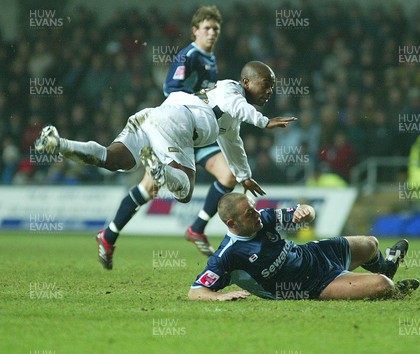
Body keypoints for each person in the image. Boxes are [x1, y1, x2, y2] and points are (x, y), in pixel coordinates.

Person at [35, 61, 296, 270]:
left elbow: (233, 142)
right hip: (180, 123)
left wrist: (244, 175)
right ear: (247, 82)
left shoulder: (229, 111)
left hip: (152, 116)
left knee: (113, 159)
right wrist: (264, 122)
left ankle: (59, 144)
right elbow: (237, 106)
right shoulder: (231, 90)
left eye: (272, 87)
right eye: (266, 85)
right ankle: (162, 172)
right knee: (184, 191)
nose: (269, 91)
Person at [116, 6, 233, 258]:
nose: (211, 33)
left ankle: (197, 228)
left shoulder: (210, 59)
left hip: (197, 133)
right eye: (206, 28)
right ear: (195, 31)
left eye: (215, 29)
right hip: (179, 128)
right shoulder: (188, 55)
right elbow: (170, 87)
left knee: (228, 175)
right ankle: (110, 233)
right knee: (148, 188)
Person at [187, 193, 420, 301]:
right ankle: (392, 286)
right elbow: (195, 291)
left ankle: (386, 266)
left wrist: (306, 211)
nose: (257, 214)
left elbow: (307, 212)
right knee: (382, 285)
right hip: (313, 285)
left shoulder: (264, 218)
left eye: (254, 207)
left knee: (371, 244)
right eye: (250, 213)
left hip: (315, 253)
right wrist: (219, 298)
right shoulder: (227, 256)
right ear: (232, 223)